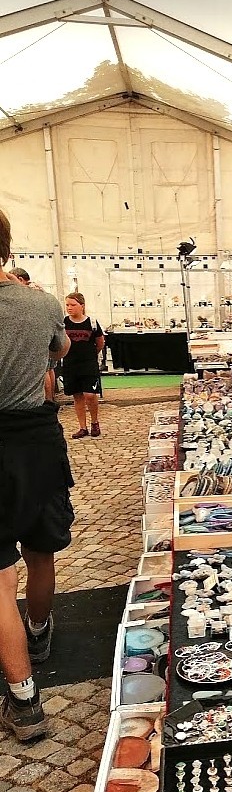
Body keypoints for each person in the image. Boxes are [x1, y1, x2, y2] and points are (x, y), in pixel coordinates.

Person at [0, 210, 75, 740]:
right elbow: (61, 348)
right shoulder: (41, 303)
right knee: (40, 549)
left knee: (0, 576)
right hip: (37, 440)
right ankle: (40, 630)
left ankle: (25, 700)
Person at [9, 267, 56, 402]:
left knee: (43, 371)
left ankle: (46, 400)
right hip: (47, 333)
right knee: (49, 368)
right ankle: (50, 399)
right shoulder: (40, 290)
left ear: (20, 279)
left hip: (35, 333)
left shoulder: (27, 292)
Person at [63, 292, 105, 438]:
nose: (69, 308)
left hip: (88, 364)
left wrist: (92, 354)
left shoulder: (91, 323)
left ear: (82, 306)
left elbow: (100, 342)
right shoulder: (63, 323)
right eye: (67, 305)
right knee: (77, 395)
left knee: (90, 394)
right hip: (70, 364)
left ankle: (94, 422)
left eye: (73, 305)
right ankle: (82, 427)